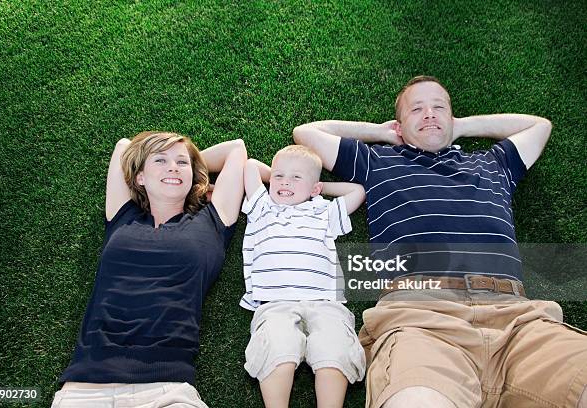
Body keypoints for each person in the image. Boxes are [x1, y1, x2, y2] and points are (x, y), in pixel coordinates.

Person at [293, 76, 587, 408]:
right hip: (422, 320)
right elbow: (307, 134)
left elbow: (539, 127)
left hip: (519, 323)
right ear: (400, 126)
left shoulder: (494, 164)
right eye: (417, 109)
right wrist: (380, 133)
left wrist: (461, 126)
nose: (430, 114)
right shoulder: (378, 162)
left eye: (439, 108)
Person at [51, 131, 247, 407]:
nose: (172, 167)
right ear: (139, 177)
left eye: (181, 163)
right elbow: (122, 147)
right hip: (86, 387)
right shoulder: (123, 216)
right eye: (160, 161)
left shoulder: (213, 221)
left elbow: (236, 150)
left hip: (168, 388)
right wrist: (173, 164)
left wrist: (189, 166)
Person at [240, 145, 367, 408]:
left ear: (314, 189)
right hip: (275, 303)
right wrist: (283, 177)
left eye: (296, 177)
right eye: (279, 176)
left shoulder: (324, 212)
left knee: (335, 347)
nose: (285, 182)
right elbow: (251, 165)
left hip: (325, 302)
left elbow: (358, 191)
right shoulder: (262, 207)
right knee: (276, 346)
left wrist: (318, 188)